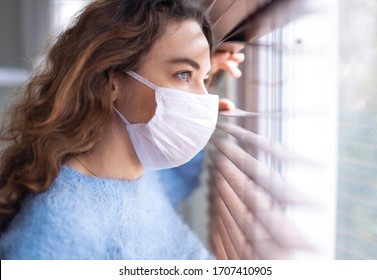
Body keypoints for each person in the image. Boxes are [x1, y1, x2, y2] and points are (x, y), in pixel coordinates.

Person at [0, 0, 243, 259]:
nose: (203, 99)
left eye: (204, 80)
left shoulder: (136, 179)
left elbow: (176, 179)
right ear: (113, 80)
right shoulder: (59, 231)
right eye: (184, 75)